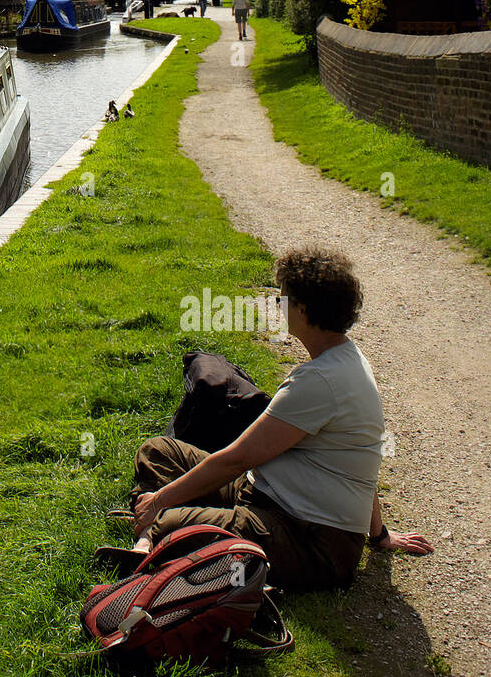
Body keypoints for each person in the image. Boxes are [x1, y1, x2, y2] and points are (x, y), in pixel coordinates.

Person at [116, 248, 432, 592]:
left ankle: (151, 538)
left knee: (170, 518)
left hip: (310, 539)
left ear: (303, 309)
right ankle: (155, 534)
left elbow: (238, 458)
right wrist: (379, 533)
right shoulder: (346, 359)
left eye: (283, 299)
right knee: (158, 451)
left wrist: (162, 500)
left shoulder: (321, 381)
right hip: (267, 495)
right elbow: (362, 459)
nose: (278, 307)